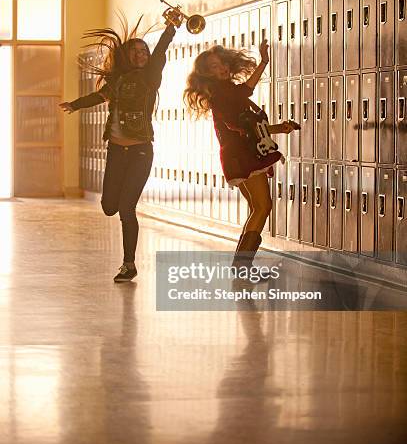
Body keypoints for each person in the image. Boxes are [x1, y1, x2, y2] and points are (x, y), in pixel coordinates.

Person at [60, 16, 177, 282]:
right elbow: (98, 97)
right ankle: (127, 256)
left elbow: (160, 53)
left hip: (140, 151)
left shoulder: (149, 78)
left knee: (126, 208)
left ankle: (129, 264)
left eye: (144, 50)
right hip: (115, 151)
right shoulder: (118, 81)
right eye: (135, 51)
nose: (142, 54)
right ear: (126, 56)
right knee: (109, 206)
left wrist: (170, 29)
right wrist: (75, 105)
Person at [183, 40, 296, 273]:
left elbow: (249, 125)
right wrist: (264, 61)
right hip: (243, 157)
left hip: (237, 156)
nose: (221, 67)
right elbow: (245, 99)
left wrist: (277, 128)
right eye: (214, 66)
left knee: (257, 207)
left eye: (222, 63)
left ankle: (241, 264)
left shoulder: (226, 92)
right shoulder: (223, 93)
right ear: (207, 74)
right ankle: (242, 266)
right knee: (263, 207)